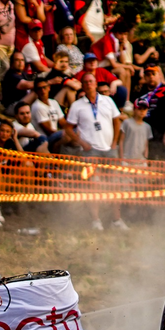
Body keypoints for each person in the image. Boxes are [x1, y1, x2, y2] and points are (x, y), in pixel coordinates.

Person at [65, 73, 127, 230]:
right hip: (90, 151)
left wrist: (114, 142)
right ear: (82, 85)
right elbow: (68, 128)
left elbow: (117, 121)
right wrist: (82, 143)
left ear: (95, 83)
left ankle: (116, 220)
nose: (88, 84)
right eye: (85, 82)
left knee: (115, 185)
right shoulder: (77, 105)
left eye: (91, 81)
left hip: (109, 149)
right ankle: (96, 220)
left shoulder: (107, 101)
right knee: (93, 185)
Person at [30, 79, 67, 152]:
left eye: (44, 87)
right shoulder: (37, 106)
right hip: (44, 139)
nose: (42, 91)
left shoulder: (53, 102)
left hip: (55, 135)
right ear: (36, 91)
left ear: (49, 88)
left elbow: (63, 122)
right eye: (39, 89)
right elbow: (49, 131)